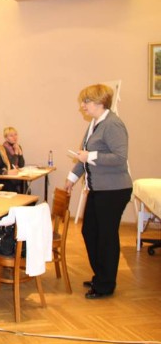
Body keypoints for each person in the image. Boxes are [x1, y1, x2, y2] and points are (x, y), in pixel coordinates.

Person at [64, 84, 132, 300]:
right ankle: (101, 275)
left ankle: (105, 284)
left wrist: (91, 157)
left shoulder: (113, 124)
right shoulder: (95, 123)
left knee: (106, 237)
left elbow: (120, 158)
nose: (83, 106)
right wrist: (72, 178)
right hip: (99, 189)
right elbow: (83, 155)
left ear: (100, 102)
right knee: (90, 232)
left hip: (114, 190)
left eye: (86, 101)